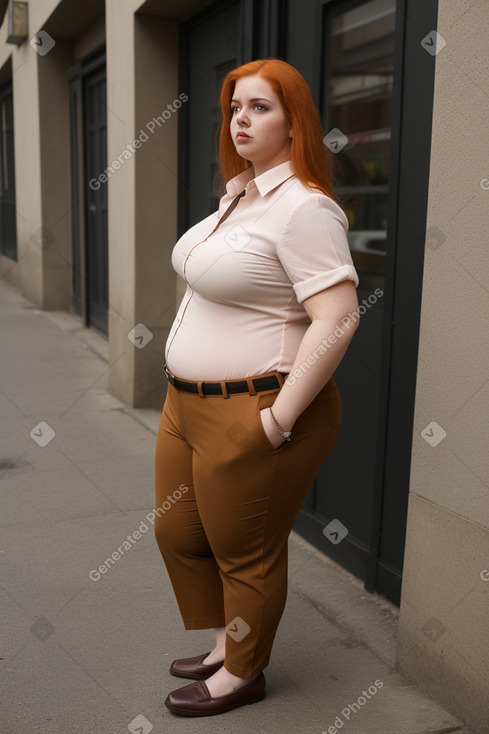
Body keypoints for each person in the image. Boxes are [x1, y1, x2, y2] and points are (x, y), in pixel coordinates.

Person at [154, 58, 360, 717]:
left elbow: (338, 316)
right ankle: (223, 641)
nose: (241, 118)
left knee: (245, 552)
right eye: (234, 107)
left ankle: (242, 672)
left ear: (293, 120)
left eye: (260, 107)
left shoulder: (304, 209)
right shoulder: (237, 197)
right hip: (184, 404)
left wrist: (277, 420)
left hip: (256, 404)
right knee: (179, 532)